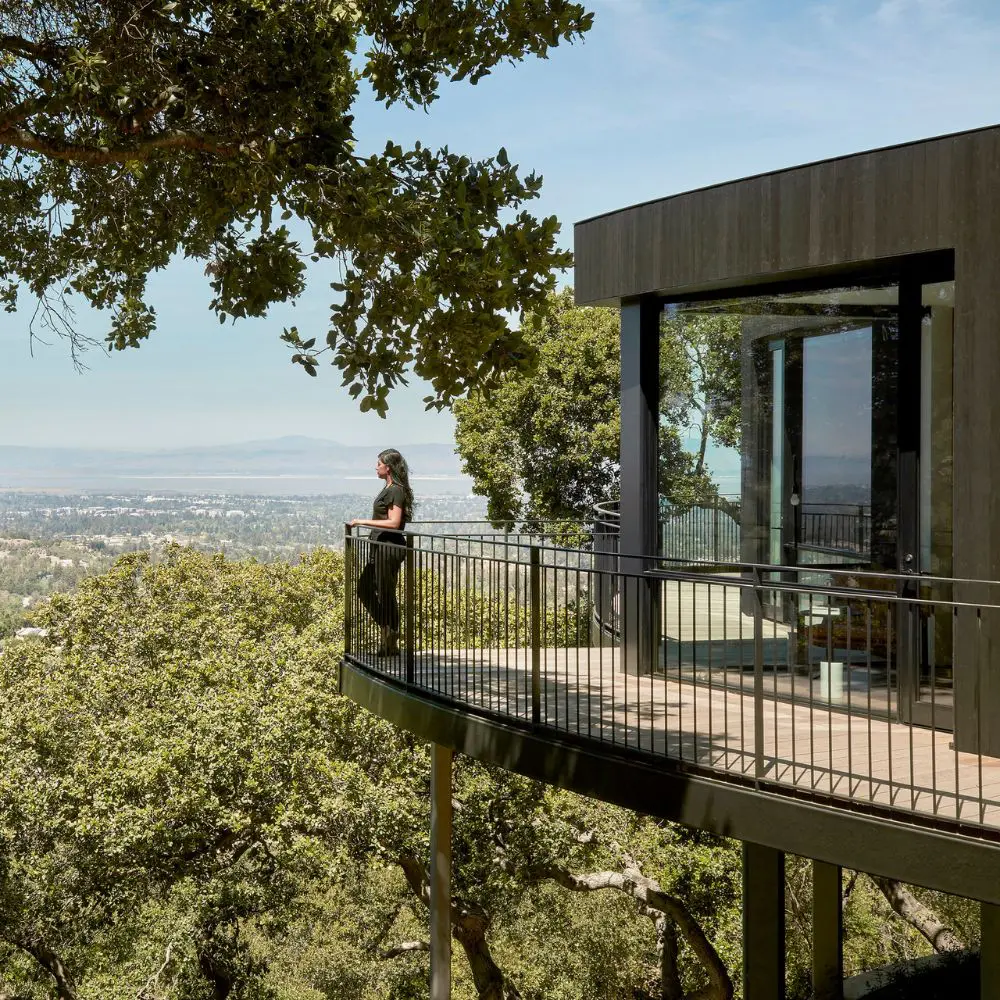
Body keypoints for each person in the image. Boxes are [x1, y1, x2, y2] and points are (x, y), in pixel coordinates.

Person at [349, 448, 414, 656]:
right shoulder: (389, 488)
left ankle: (390, 637)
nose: (376, 467)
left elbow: (394, 523)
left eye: (379, 464)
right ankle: (388, 630)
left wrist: (362, 521)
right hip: (381, 546)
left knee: (386, 593)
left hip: (390, 546)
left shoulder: (396, 489)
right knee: (365, 589)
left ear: (388, 467)